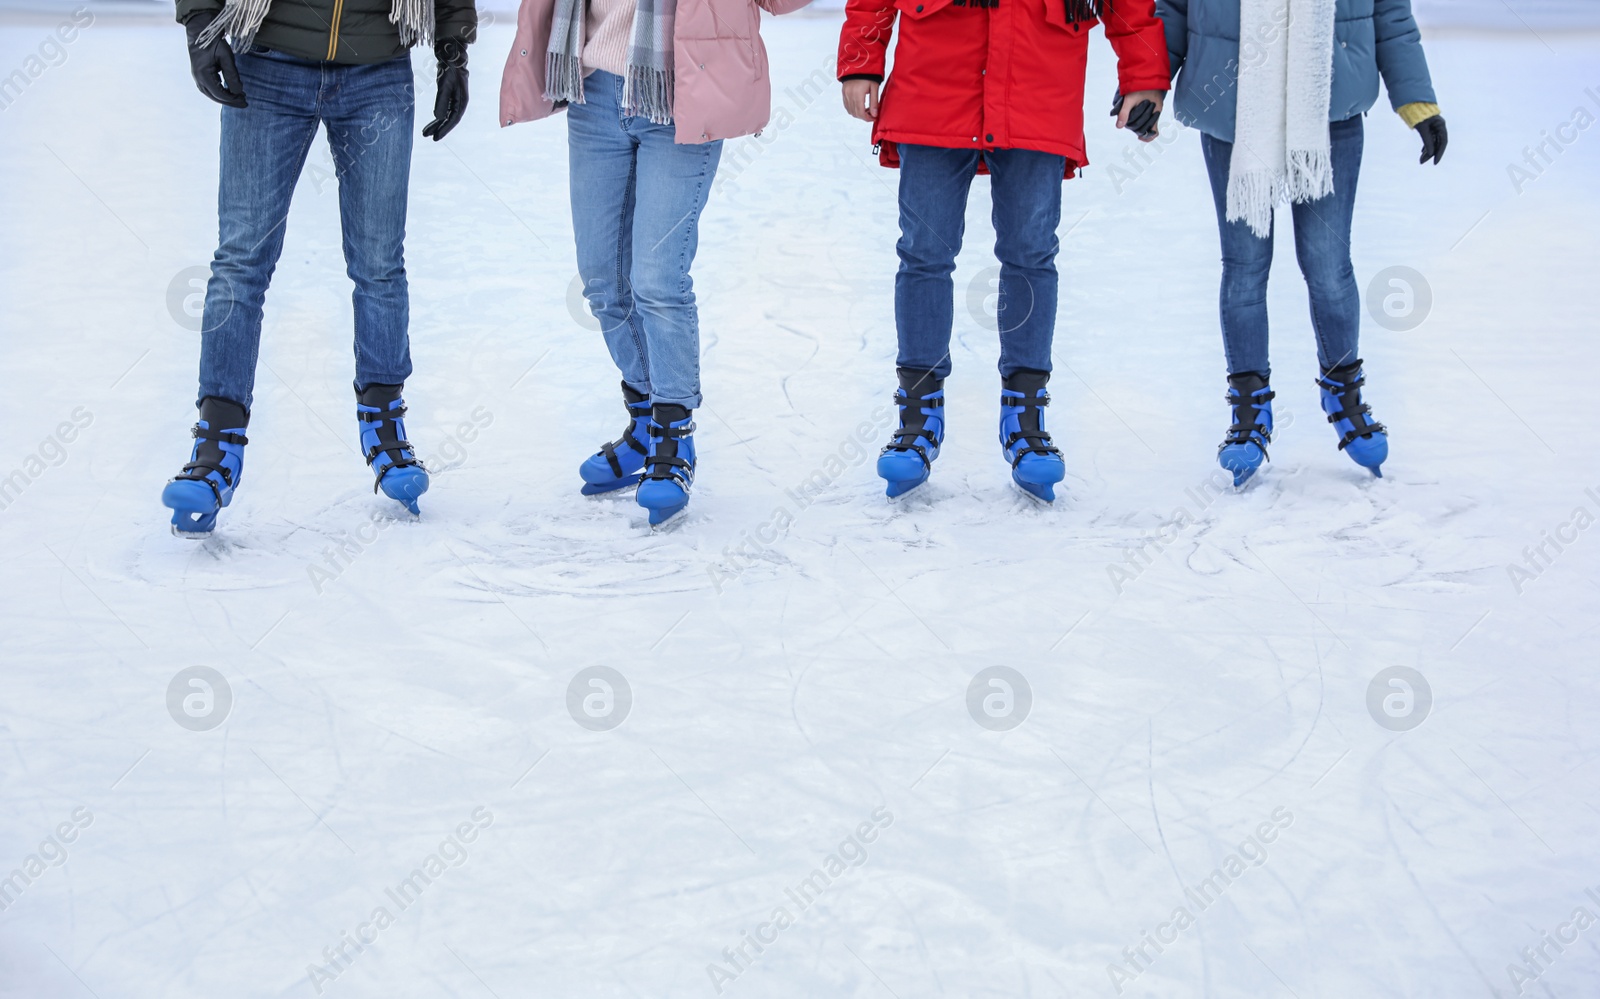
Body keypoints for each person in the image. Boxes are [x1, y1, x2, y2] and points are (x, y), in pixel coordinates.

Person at [836, 0, 1170, 503]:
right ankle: (917, 414)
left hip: (1039, 80)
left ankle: (1026, 414)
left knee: (1031, 253)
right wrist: (862, 58)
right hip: (935, 78)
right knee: (924, 252)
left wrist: (1143, 74)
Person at [163, 0, 476, 535]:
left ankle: (384, 420)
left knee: (378, 263)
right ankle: (216, 439)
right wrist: (200, 22)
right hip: (267, 60)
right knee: (241, 261)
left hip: (377, 68)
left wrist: (453, 52)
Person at [499, 0, 811, 526]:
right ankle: (646, 420)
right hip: (593, 92)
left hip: (681, 90)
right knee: (602, 282)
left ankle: (673, 433)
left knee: (658, 280)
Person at [1157, 0, 1446, 485]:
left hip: (1330, 106)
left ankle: (1343, 391)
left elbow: (1390, 12)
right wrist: (1148, 84)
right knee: (1245, 268)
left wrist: (1416, 100)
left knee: (1328, 265)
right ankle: (1249, 413)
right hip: (1234, 106)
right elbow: (1171, 8)